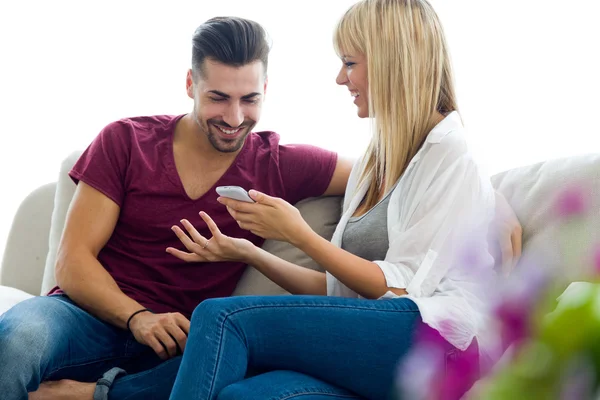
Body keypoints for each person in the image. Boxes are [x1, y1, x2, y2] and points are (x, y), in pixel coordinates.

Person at [0, 17, 353, 400]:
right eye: (218, 97)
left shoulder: (280, 163)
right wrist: (138, 317)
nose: (234, 118)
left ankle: (91, 394)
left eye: (249, 100)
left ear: (265, 90)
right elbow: (72, 262)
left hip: (180, 345)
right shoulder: (126, 141)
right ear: (190, 84)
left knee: (250, 363)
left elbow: (383, 173)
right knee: (19, 336)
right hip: (86, 317)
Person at [167, 1, 499, 399]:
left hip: (437, 343)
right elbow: (341, 292)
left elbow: (402, 292)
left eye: (350, 63)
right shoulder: (376, 161)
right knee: (246, 395)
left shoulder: (451, 154)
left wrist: (300, 236)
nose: (341, 78)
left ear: (392, 62)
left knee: (221, 317)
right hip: (377, 343)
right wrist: (250, 254)